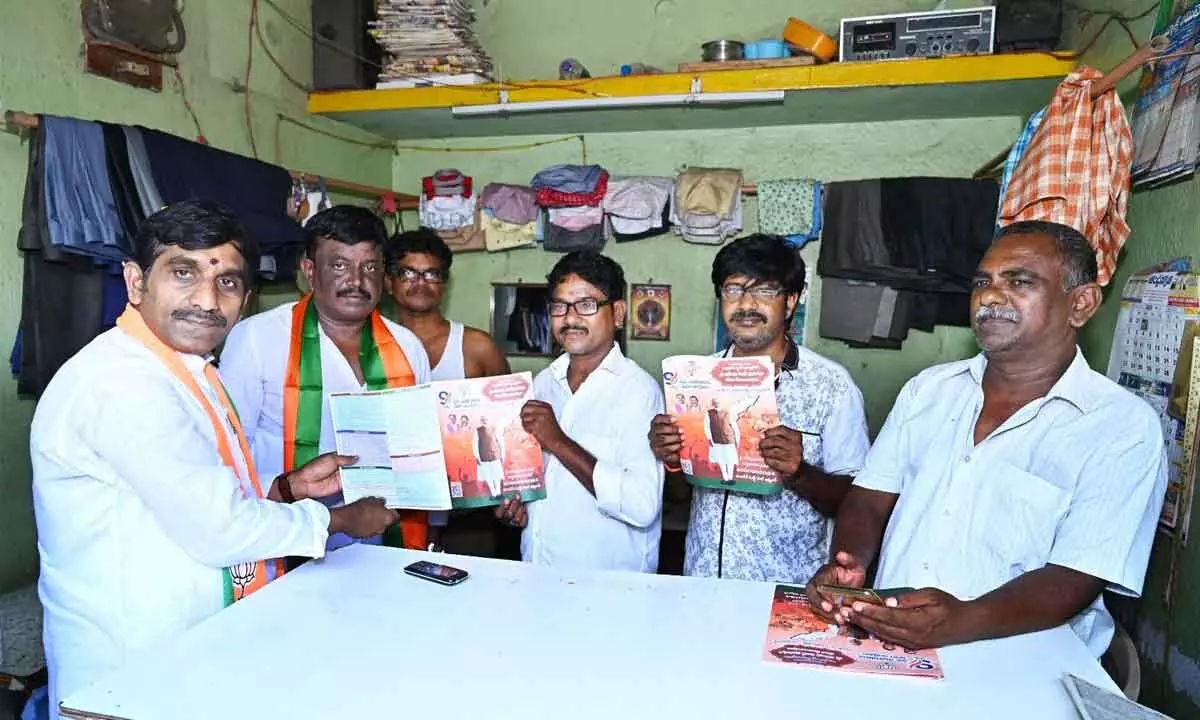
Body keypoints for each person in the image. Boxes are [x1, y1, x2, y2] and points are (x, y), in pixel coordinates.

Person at [31, 201, 398, 718]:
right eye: (184, 273)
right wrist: (341, 519)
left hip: (199, 646)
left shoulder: (189, 370)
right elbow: (219, 527)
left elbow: (203, 486)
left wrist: (286, 488)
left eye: (226, 282)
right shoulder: (121, 382)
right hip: (130, 666)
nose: (206, 300)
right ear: (136, 283)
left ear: (245, 298)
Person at [806, 221, 1168, 658]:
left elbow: (1076, 576)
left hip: (1025, 666)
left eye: (1020, 281)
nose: (991, 296)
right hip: (893, 648)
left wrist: (961, 620)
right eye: (983, 282)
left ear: (1082, 304)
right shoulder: (929, 390)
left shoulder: (1120, 426)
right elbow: (868, 498)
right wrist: (850, 564)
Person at [649, 233, 870, 583]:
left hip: (786, 591)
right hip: (703, 582)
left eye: (765, 291)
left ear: (792, 301)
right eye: (733, 289)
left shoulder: (831, 386)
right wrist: (673, 460)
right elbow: (682, 496)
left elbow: (858, 504)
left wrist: (799, 473)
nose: (746, 304)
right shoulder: (696, 379)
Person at [220, 205, 433, 553]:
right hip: (283, 542)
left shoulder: (407, 347)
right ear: (309, 270)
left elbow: (421, 450)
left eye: (369, 267)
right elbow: (227, 456)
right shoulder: (257, 338)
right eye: (339, 265)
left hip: (382, 542)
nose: (356, 281)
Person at [496, 251, 665, 572]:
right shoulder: (541, 385)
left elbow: (641, 505)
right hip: (538, 572)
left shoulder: (638, 391)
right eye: (560, 306)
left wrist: (558, 440)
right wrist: (517, 505)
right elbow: (535, 480)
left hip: (608, 587)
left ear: (617, 313)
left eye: (587, 305)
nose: (570, 318)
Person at [385, 227, 510, 545]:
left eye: (432, 274)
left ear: (444, 284)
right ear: (388, 282)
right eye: (408, 272)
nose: (420, 282)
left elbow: (510, 426)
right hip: (393, 509)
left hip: (468, 512)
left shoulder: (476, 346)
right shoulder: (369, 346)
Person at [703, 395, 759, 484]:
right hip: (716, 440)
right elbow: (706, 427)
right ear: (713, 403)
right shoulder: (709, 413)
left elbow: (741, 407)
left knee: (730, 459)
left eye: (718, 400)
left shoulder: (730, 411)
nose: (716, 402)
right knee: (721, 459)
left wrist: (753, 398)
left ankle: (730, 478)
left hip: (729, 439)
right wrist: (709, 438)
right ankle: (725, 478)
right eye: (715, 401)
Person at [472, 416, 507, 497]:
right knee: (488, 476)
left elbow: (501, 442)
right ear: (481, 421)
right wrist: (477, 457)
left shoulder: (495, 429)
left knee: (497, 474)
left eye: (486, 419)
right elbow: (474, 444)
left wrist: (502, 455)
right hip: (483, 457)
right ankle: (493, 493)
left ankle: (498, 492)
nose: (485, 420)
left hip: (495, 455)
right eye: (483, 419)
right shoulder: (478, 431)